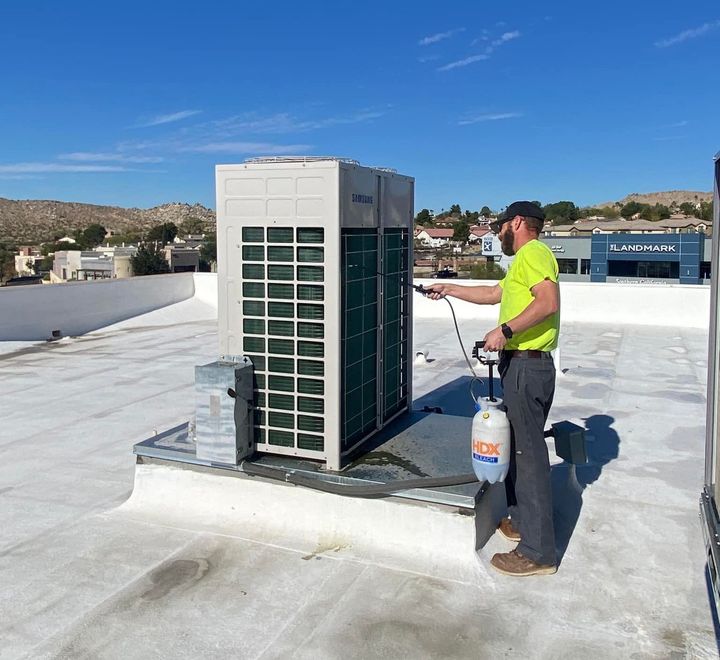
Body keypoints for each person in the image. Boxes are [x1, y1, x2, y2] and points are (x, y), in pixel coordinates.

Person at [425, 201, 560, 576]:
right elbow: (494, 294)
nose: (498, 232)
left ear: (516, 223)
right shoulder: (525, 260)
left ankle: (538, 552)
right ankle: (521, 522)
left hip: (527, 365)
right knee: (518, 449)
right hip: (522, 365)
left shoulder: (533, 252)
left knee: (528, 456)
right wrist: (449, 287)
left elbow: (548, 303)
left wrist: (504, 331)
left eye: (500, 226)